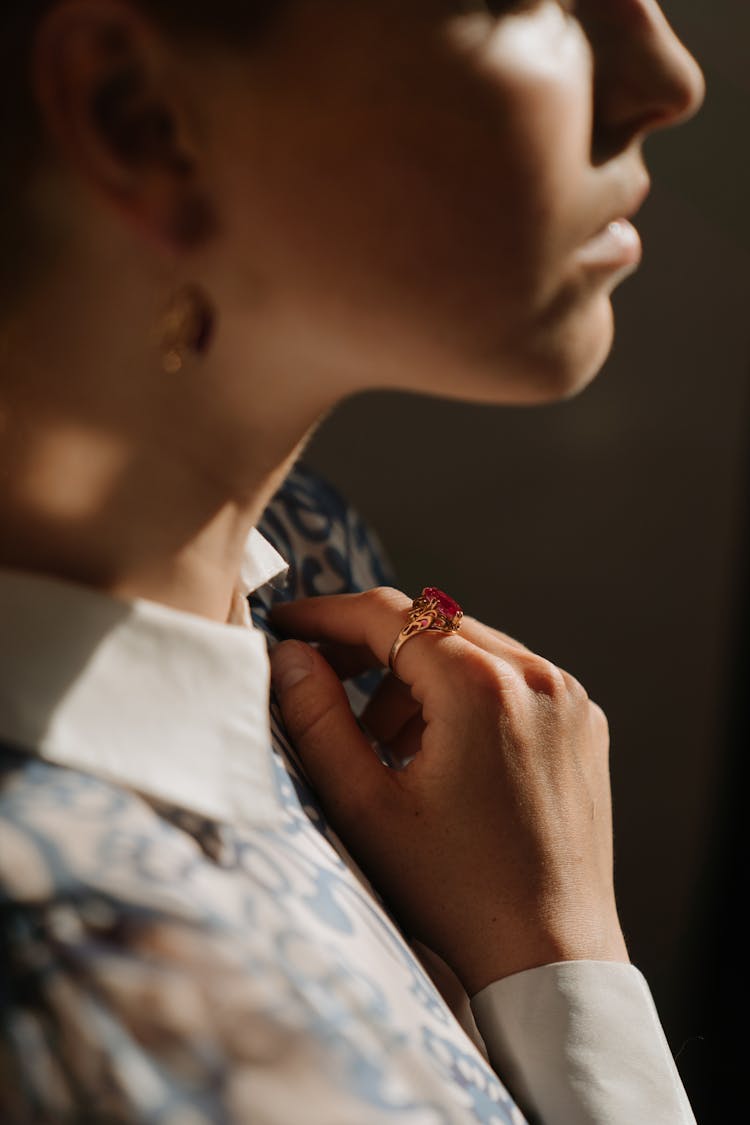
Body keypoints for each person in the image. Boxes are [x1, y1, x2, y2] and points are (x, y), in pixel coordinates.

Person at [0, 1, 705, 1122]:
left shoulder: (306, 559)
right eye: (533, 2)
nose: (667, 80)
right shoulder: (96, 1013)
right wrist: (572, 987)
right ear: (140, 118)